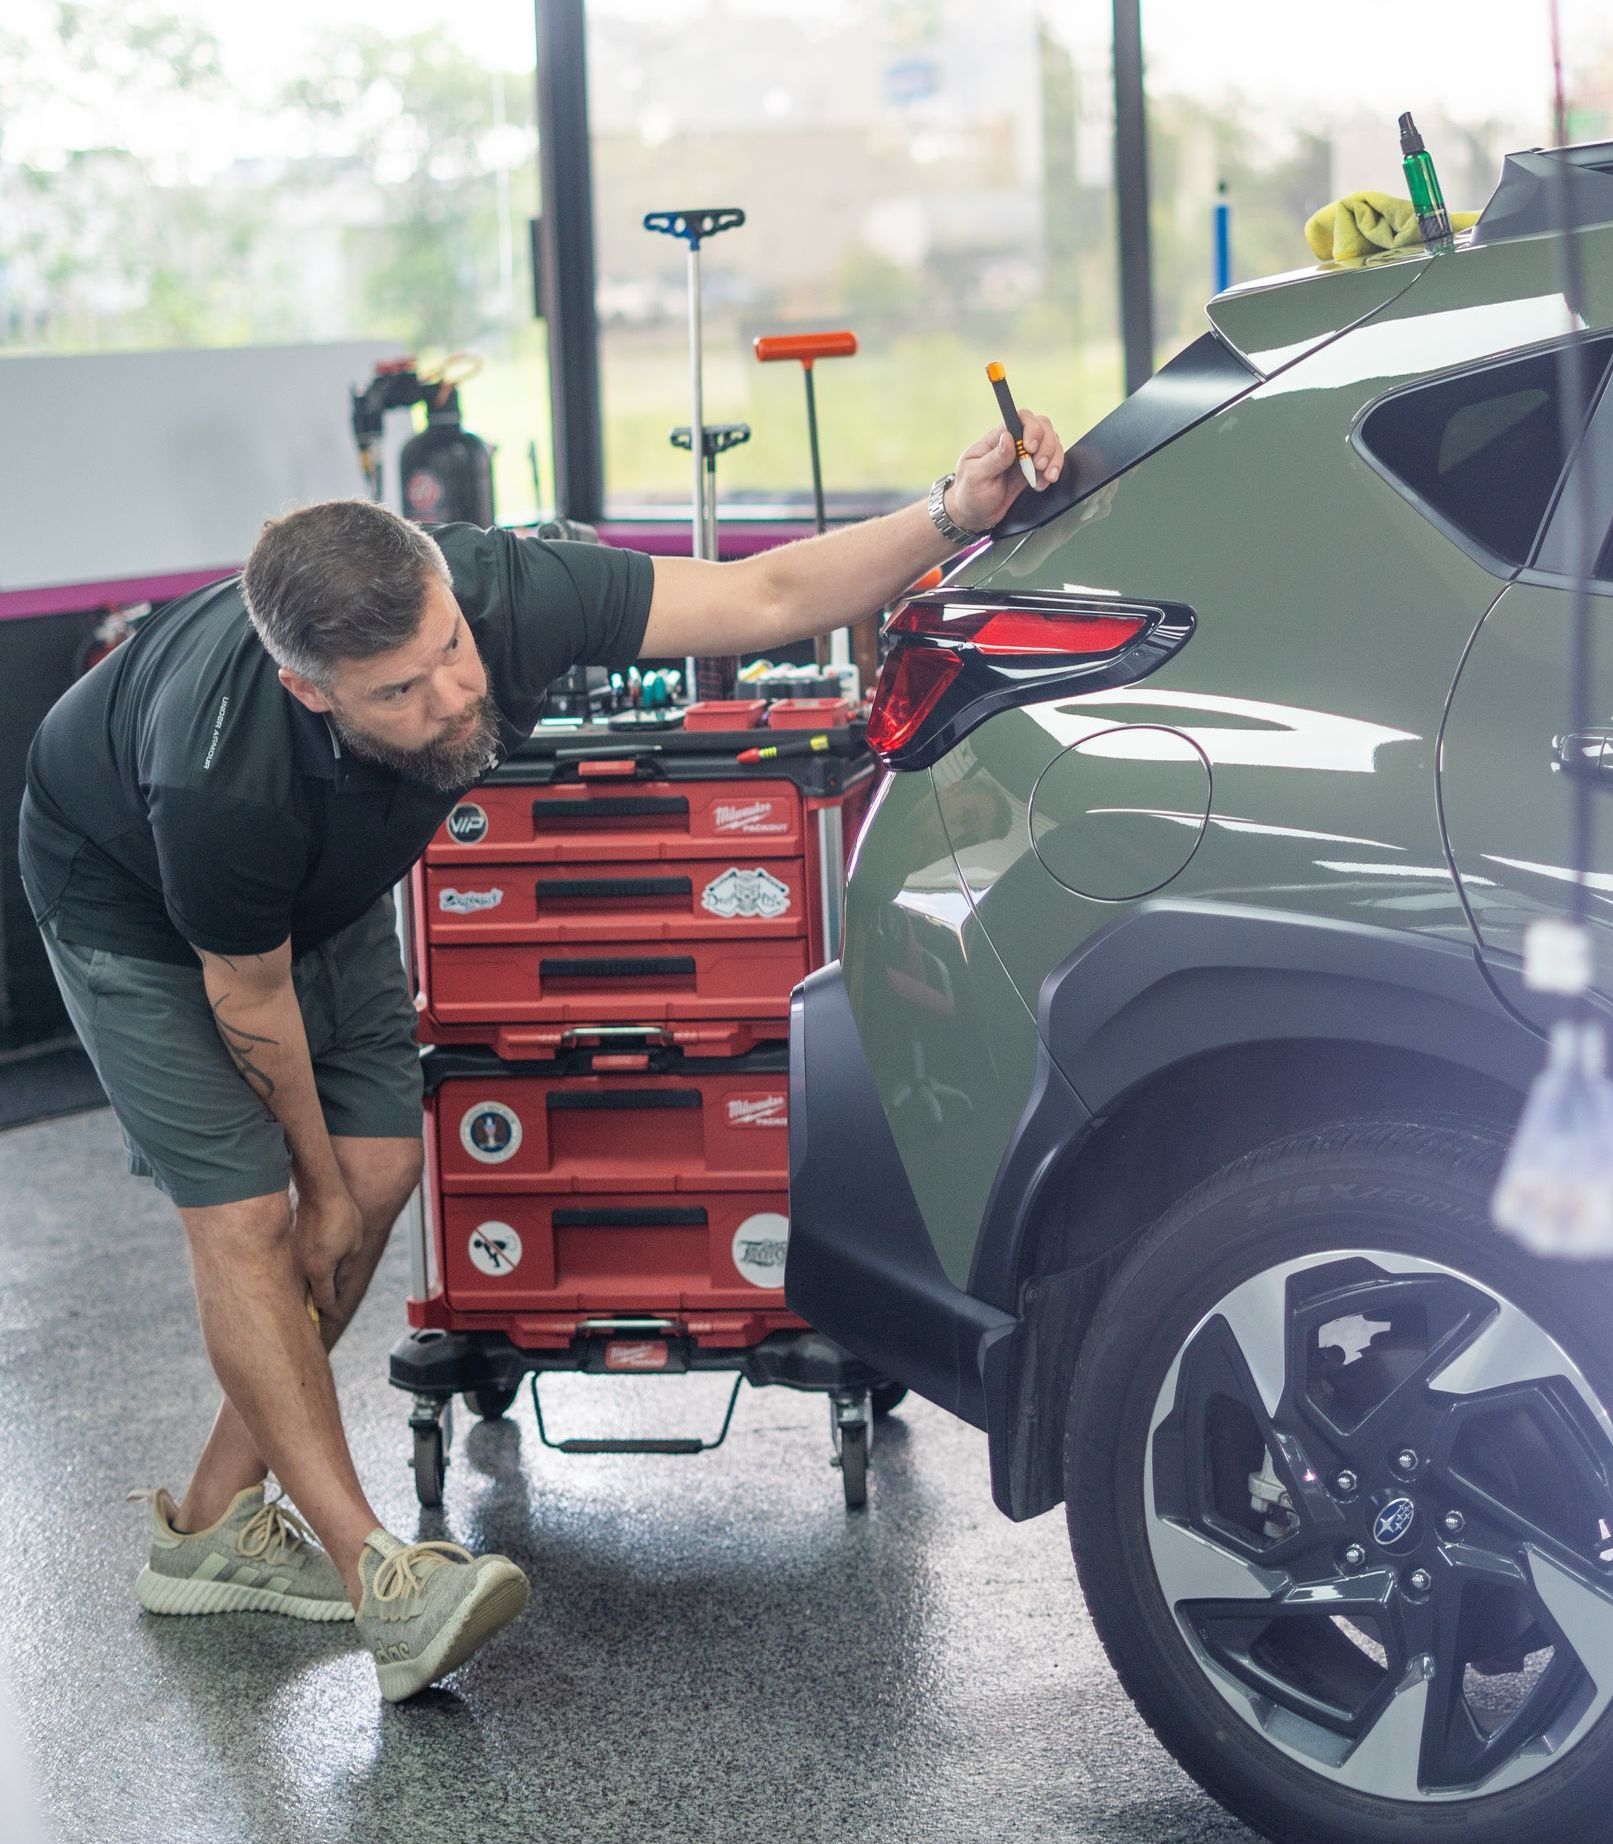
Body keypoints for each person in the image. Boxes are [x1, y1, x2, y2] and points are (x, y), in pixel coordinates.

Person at [17, 412, 1064, 1702]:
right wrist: (313, 1188)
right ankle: (380, 1583)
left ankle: (214, 1527)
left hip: (324, 881)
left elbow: (766, 590)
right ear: (311, 690)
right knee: (249, 1220)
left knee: (386, 1172)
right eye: (399, 691)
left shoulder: (502, 588)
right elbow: (252, 1003)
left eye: (447, 650)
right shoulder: (222, 777)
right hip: (138, 899)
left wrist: (953, 513)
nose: (456, 695)